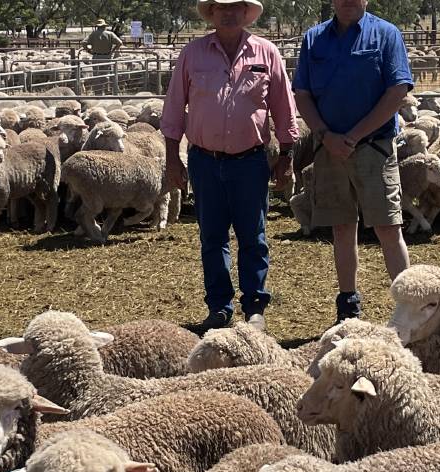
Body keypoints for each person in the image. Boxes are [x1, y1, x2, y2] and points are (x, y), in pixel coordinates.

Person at [161, 0, 297, 332]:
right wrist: (171, 158)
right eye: (221, 7)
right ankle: (220, 308)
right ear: (211, 13)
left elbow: (283, 107)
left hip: (250, 161)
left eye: (235, 6)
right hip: (205, 160)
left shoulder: (265, 53)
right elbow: (175, 106)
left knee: (253, 235)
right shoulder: (192, 54)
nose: (228, 12)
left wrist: (286, 157)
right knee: (212, 237)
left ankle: (254, 306)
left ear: (245, 12)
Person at [292, 0, 413, 323]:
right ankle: (348, 303)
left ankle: (411, 304)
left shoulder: (386, 34)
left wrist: (355, 135)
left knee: (388, 226)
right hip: (329, 149)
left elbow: (398, 89)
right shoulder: (314, 38)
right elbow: (302, 92)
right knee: (342, 225)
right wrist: (324, 134)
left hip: (373, 147)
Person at [84, 19, 123, 94]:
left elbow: (84, 43)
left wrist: (89, 51)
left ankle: (98, 93)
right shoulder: (110, 34)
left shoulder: (93, 34)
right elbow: (120, 43)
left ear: (97, 26)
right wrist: (113, 51)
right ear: (104, 26)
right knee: (106, 74)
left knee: (96, 75)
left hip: (96, 57)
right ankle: (107, 91)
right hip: (107, 57)